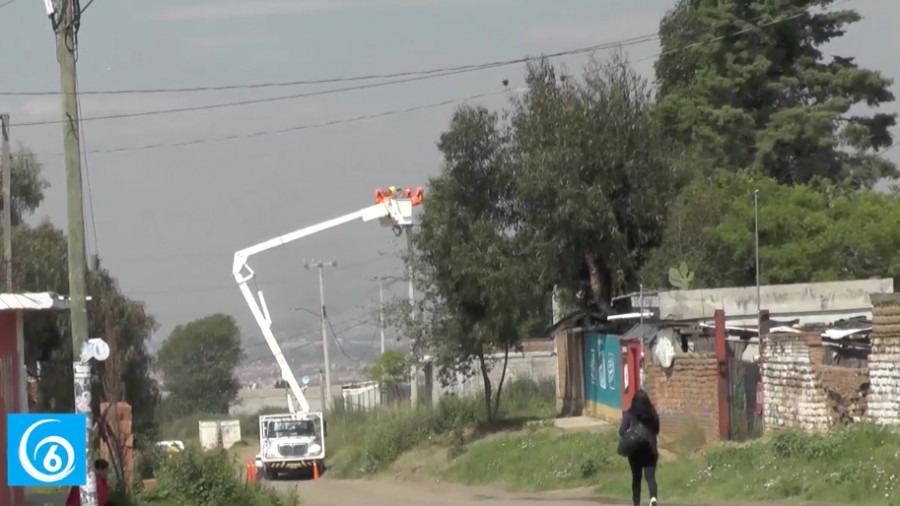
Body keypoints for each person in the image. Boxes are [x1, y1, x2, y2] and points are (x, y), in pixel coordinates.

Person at [618, 389, 660, 506]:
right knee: (650, 477)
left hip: (635, 451)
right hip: (650, 449)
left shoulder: (629, 414)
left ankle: (636, 503)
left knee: (636, 478)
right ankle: (653, 498)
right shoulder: (652, 414)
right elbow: (657, 430)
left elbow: (622, 431)